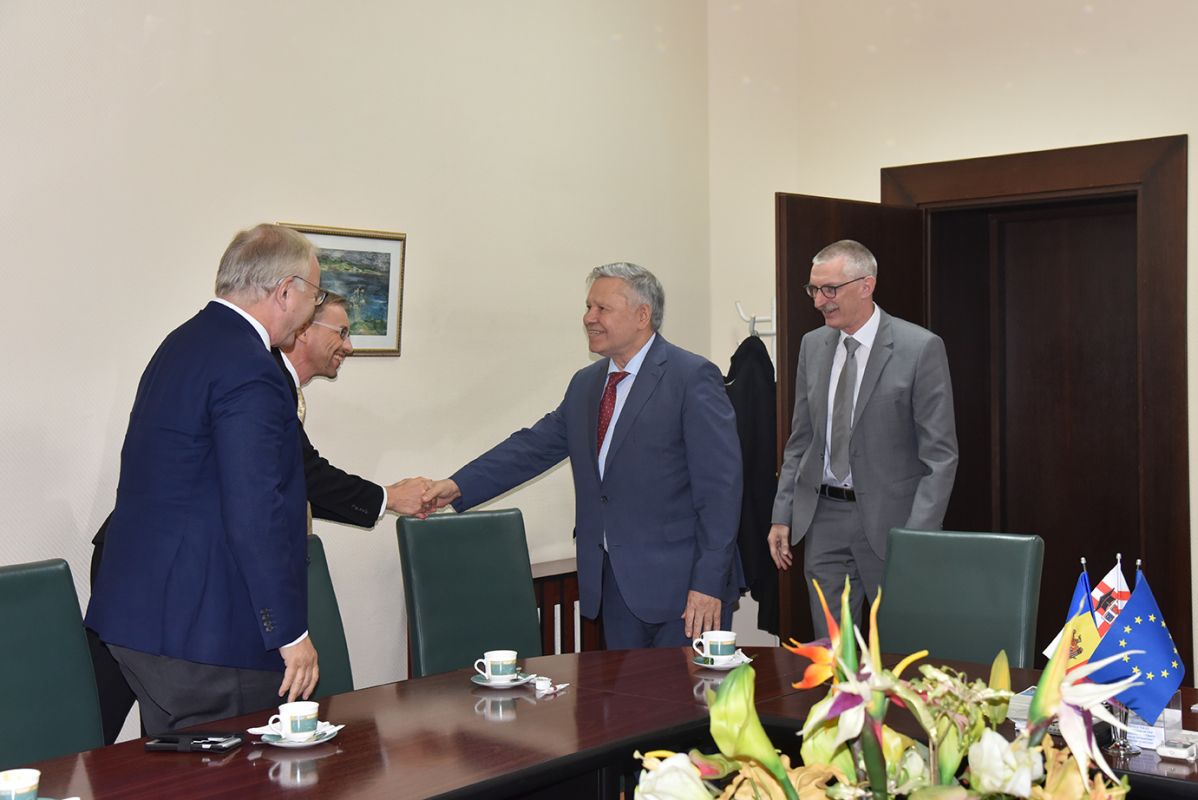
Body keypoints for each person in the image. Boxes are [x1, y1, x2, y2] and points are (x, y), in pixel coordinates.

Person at [422, 263, 744, 649]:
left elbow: (721, 491)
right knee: (629, 692)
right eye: (588, 307)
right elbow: (532, 447)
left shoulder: (691, 377)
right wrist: (457, 486)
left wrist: (708, 584)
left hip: (685, 591)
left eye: (602, 308)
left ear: (642, 315)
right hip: (614, 586)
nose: (589, 318)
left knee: (688, 691)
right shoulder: (586, 384)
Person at [85, 223, 323, 735]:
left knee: (170, 769)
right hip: (208, 632)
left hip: (138, 617)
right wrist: (289, 633)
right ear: (286, 291)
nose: (313, 309)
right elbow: (255, 508)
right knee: (229, 771)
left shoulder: (182, 342)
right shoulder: (251, 367)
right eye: (315, 295)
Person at [767, 240, 958, 637]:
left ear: (866, 285)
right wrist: (781, 513)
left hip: (894, 525)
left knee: (900, 649)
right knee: (833, 651)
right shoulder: (812, 345)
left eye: (830, 289)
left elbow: (940, 456)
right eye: (814, 289)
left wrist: (917, 537)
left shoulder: (919, 347)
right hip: (822, 519)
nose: (819, 301)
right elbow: (801, 438)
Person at [277, 291, 429, 523]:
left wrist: (383, 499)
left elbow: (293, 487)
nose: (348, 347)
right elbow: (303, 473)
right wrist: (389, 498)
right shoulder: (272, 384)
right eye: (342, 333)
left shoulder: (282, 381)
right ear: (304, 329)